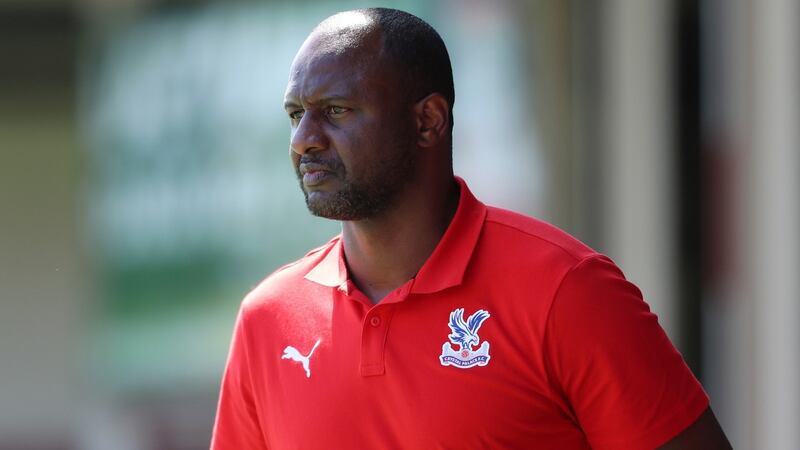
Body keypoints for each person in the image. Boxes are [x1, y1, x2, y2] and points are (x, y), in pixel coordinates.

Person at [210, 7, 731, 450]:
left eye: (336, 111)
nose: (304, 139)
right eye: (296, 114)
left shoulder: (566, 290)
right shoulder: (267, 319)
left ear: (428, 121)